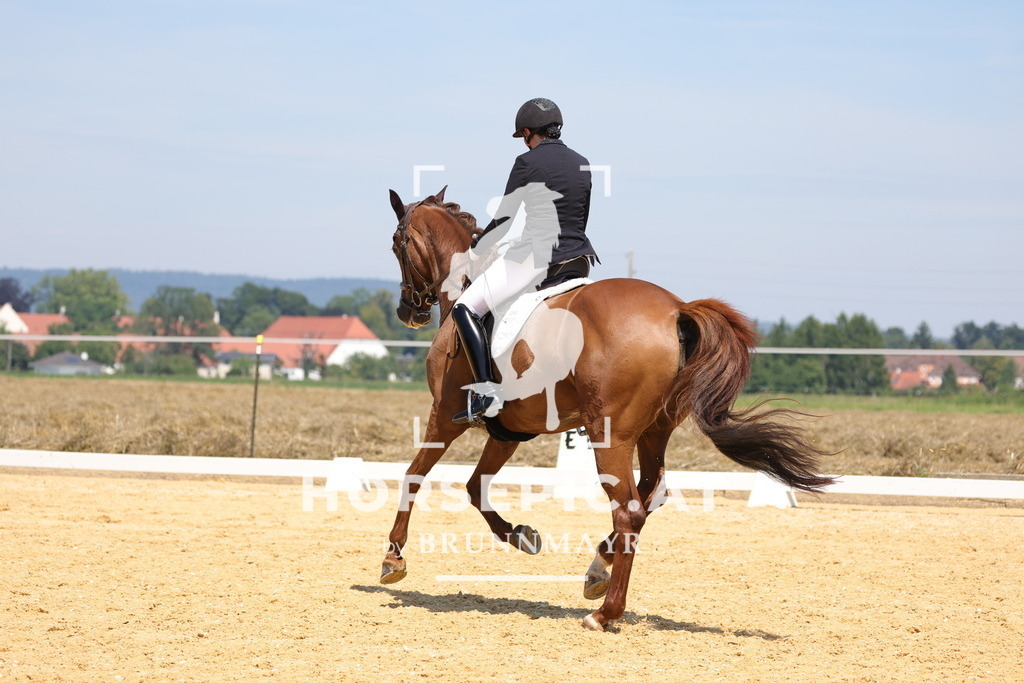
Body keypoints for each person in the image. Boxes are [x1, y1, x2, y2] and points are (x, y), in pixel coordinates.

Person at [451, 97, 599, 425]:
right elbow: (581, 217)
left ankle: (486, 391)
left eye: (525, 137)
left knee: (465, 307)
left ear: (530, 132)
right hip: (579, 260)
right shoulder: (583, 163)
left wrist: (477, 247)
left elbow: (504, 219)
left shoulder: (526, 163)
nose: (526, 143)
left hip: (536, 259)